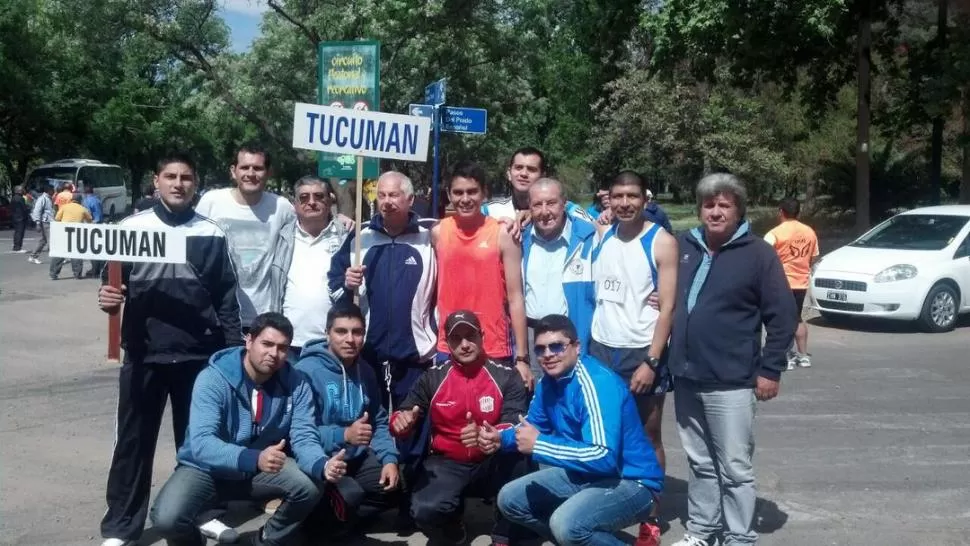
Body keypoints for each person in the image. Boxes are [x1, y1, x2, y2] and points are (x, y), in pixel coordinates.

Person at [96, 153, 243, 546]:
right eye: (171, 177)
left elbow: (227, 300)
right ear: (156, 181)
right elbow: (112, 284)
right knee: (132, 442)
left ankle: (207, 512)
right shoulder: (131, 227)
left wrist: (231, 359)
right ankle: (121, 527)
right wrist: (108, 297)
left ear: (195, 184)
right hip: (145, 354)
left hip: (200, 357)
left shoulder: (211, 233)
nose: (179, 184)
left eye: (186, 178)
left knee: (201, 442)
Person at [667, 174, 796, 546]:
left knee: (735, 468)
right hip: (687, 376)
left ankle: (739, 536)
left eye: (725, 205)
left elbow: (783, 315)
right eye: (709, 204)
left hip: (732, 380)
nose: (716, 211)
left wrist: (771, 369)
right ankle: (703, 531)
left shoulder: (758, 254)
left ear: (739, 210)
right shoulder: (685, 246)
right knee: (700, 463)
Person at [149, 312, 340, 546]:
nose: (274, 354)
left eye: (282, 348)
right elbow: (202, 443)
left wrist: (322, 464)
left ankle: (262, 540)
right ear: (249, 341)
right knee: (167, 519)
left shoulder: (296, 382)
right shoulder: (213, 378)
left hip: (257, 470)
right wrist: (255, 458)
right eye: (267, 344)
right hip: (206, 468)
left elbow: (304, 436)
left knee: (309, 486)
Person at [483, 314, 664, 546]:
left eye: (557, 346)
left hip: (632, 482)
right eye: (540, 349)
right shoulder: (549, 382)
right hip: (585, 474)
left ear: (576, 347)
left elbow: (603, 456)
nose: (548, 354)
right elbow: (532, 426)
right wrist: (500, 438)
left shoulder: (596, 383)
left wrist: (539, 445)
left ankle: (577, 536)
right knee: (510, 499)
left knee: (566, 525)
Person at [588, 170, 678, 545]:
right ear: (609, 198)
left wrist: (652, 361)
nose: (625, 203)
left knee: (648, 434)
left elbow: (669, 308)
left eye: (633, 196)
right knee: (603, 435)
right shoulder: (601, 233)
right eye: (618, 196)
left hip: (641, 351)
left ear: (645, 199)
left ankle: (652, 515)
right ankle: (608, 504)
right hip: (600, 348)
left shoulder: (661, 242)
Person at [328, 171, 437, 477]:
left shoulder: (430, 236)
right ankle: (372, 489)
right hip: (369, 354)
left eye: (394, 195)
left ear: (410, 199)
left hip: (415, 354)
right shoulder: (361, 237)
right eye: (382, 195)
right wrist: (346, 283)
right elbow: (334, 285)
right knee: (367, 424)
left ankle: (411, 493)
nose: (387, 202)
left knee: (412, 426)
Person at [390, 310, 531, 546]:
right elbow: (403, 414)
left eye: (470, 336)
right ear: (447, 342)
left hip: (491, 458)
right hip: (448, 463)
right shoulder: (432, 378)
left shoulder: (507, 376)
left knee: (521, 457)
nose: (465, 345)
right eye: (457, 338)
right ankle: (453, 528)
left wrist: (490, 435)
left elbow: (514, 420)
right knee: (424, 509)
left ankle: (504, 529)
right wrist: (401, 423)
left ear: (482, 336)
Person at [295, 303, 400, 534]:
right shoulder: (306, 371)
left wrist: (389, 459)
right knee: (351, 496)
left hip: (357, 458)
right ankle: (316, 523)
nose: (350, 339)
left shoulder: (366, 371)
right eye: (341, 331)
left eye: (357, 332)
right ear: (327, 333)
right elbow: (299, 432)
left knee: (398, 486)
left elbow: (379, 421)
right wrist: (344, 435)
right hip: (322, 460)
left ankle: (342, 517)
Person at [432, 161, 533, 391]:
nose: (465, 199)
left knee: (493, 423)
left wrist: (522, 358)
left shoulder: (503, 233)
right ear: (449, 195)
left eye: (472, 191)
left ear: (484, 193)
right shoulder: (438, 232)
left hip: (493, 346)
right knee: (450, 421)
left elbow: (516, 297)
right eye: (458, 192)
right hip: (450, 345)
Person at [195, 143, 296, 332]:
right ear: (233, 171)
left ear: (268, 172)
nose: (251, 173)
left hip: (262, 316)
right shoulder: (212, 201)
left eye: (258, 168)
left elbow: (304, 231)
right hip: (218, 314)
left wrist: (338, 219)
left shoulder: (281, 207)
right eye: (244, 167)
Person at [521, 178, 597, 377]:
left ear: (565, 204)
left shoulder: (590, 237)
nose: (545, 211)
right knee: (536, 400)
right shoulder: (518, 238)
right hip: (531, 336)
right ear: (529, 207)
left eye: (552, 203)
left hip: (570, 334)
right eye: (538, 204)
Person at [275, 175, 348, 359]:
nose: (312, 202)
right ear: (295, 204)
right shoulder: (280, 237)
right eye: (304, 197)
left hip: (332, 343)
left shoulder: (346, 237)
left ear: (330, 199)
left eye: (319, 196)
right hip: (289, 343)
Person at [483, 147, 592, 239]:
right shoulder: (489, 211)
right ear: (509, 173)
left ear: (543, 175)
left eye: (531, 169)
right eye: (518, 168)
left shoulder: (566, 209)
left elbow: (599, 231)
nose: (523, 173)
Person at [765, 197, 819, 369]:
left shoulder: (774, 233)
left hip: (780, 282)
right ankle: (803, 356)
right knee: (796, 318)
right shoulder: (809, 232)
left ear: (780, 211)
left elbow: (764, 258)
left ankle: (785, 356)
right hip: (801, 282)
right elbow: (814, 256)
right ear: (799, 212)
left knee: (780, 320)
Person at [49, 193, 93, 280]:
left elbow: (57, 218)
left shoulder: (64, 207)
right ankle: (77, 274)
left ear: (72, 199)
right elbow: (89, 220)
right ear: (80, 201)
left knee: (60, 253)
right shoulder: (83, 209)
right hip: (77, 233)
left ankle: (53, 274)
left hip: (64, 232)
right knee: (76, 253)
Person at [27, 185, 54, 264]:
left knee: (43, 240)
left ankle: (33, 256)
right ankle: (54, 260)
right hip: (46, 222)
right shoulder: (42, 199)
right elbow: (37, 211)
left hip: (49, 222)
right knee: (50, 240)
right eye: (53, 190)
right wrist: (38, 223)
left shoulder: (49, 198)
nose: (54, 191)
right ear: (49, 190)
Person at [83, 186, 105, 277]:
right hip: (100, 224)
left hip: (92, 225)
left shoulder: (86, 201)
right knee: (99, 248)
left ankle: (94, 270)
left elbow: (87, 214)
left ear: (85, 193)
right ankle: (100, 268)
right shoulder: (98, 200)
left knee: (92, 249)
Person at [10, 185, 30, 252]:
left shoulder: (13, 198)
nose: (23, 191)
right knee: (20, 233)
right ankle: (18, 247)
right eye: (21, 190)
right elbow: (24, 208)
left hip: (15, 217)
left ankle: (16, 247)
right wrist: (28, 210)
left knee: (17, 232)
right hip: (20, 218)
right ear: (18, 191)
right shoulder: (20, 198)